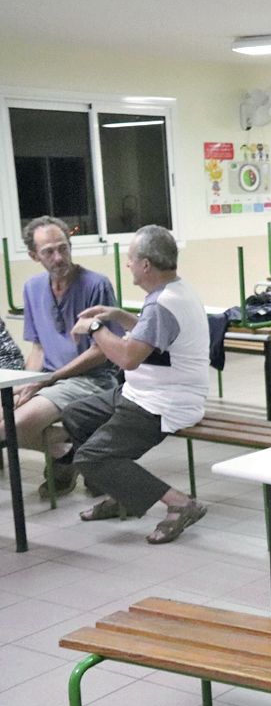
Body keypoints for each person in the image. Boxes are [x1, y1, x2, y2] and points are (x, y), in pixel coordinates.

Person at [48, 225, 210, 544]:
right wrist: (120, 316)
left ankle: (180, 504)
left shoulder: (163, 303)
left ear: (146, 264)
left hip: (162, 404)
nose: (128, 265)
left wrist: (95, 327)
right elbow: (153, 335)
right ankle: (122, 492)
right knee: (76, 415)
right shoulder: (172, 292)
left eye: (131, 259)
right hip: (141, 394)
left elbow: (128, 358)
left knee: (90, 457)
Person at [8, 216, 120, 499]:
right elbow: (38, 349)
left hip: (91, 379)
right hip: (49, 379)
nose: (58, 257)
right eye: (48, 252)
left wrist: (48, 381)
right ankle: (68, 449)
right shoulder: (32, 288)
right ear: (34, 255)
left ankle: (72, 449)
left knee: (17, 423)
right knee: (6, 413)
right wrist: (25, 384)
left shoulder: (96, 284)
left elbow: (103, 351)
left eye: (63, 248)